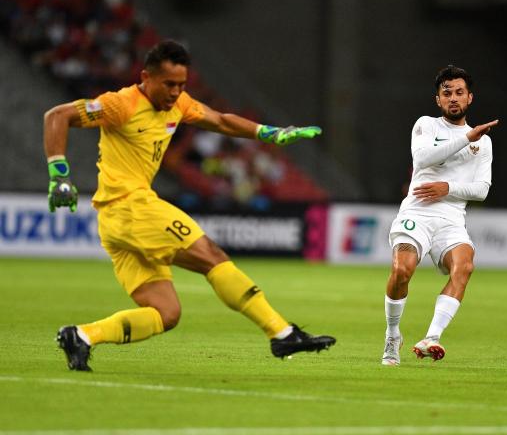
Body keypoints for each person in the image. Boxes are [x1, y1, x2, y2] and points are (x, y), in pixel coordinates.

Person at [44, 39, 336, 371]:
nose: (175, 91)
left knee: (166, 313)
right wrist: (59, 174)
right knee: (211, 255)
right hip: (131, 207)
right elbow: (58, 115)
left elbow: (222, 121)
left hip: (117, 222)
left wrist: (270, 133)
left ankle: (80, 336)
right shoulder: (120, 104)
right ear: (146, 77)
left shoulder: (177, 104)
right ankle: (281, 332)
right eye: (169, 84)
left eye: (181, 84)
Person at [381, 65, 498, 365]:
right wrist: (466, 137)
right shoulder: (426, 125)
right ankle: (393, 334)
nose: (453, 98)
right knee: (402, 270)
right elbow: (421, 157)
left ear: (470, 97)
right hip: (417, 212)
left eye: (459, 92)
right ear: (438, 100)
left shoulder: (483, 142)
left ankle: (432, 336)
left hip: (451, 219)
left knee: (465, 266)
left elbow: (482, 190)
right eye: (447, 93)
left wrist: (448, 187)